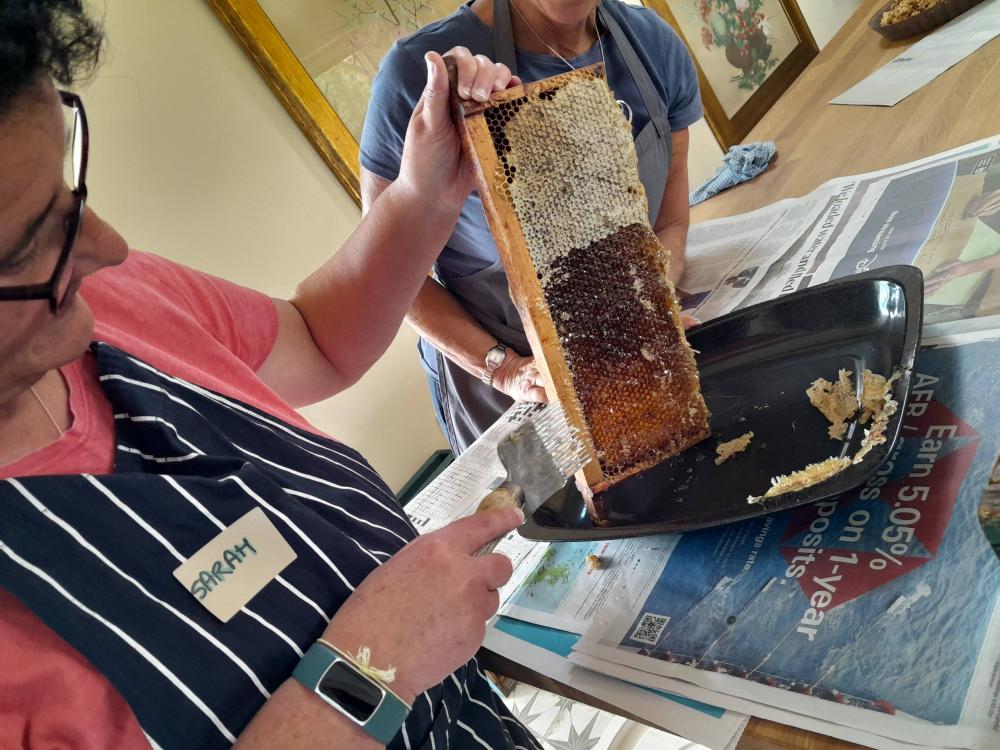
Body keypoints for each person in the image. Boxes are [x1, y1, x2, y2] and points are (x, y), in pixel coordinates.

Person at [0, 1, 541, 748]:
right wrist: (369, 669)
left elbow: (316, 341)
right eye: (32, 245)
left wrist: (425, 194)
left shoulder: (113, 302)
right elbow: (373, 667)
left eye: (69, 192)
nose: (109, 247)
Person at [360, 0, 703, 453]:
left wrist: (650, 304)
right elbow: (387, 273)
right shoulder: (415, 75)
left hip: (634, 353)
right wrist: (504, 369)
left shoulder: (652, 43)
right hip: (502, 371)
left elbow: (670, 221)